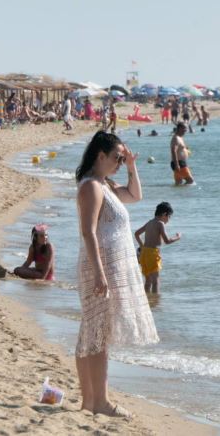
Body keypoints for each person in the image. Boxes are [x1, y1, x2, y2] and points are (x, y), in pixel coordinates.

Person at [74, 131, 159, 417]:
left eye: (122, 158)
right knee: (98, 333)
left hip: (107, 267)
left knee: (94, 332)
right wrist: (99, 273)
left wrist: (133, 166)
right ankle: (100, 402)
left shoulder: (104, 184)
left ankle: (90, 401)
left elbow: (135, 195)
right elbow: (88, 232)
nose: (120, 163)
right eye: (117, 158)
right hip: (100, 267)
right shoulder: (91, 187)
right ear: (100, 155)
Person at [134, 202, 181, 293]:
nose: (169, 219)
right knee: (155, 282)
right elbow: (167, 241)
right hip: (152, 254)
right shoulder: (160, 224)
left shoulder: (149, 222)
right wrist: (177, 237)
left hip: (144, 254)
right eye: (169, 216)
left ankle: (148, 301)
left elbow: (136, 234)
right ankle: (155, 302)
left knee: (148, 281)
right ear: (164, 214)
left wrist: (142, 246)